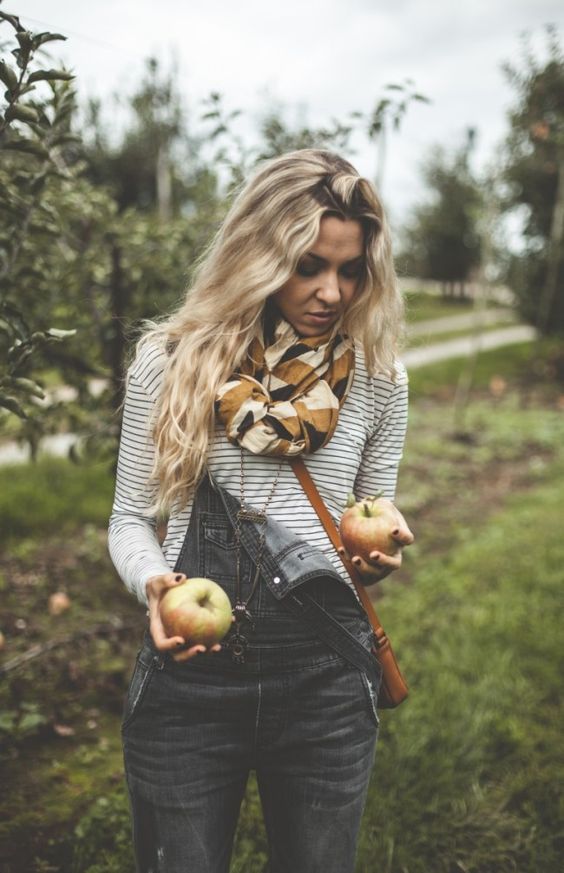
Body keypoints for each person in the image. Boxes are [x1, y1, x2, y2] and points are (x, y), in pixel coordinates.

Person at [108, 148, 410, 873]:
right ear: (259, 252)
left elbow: (366, 521)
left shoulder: (378, 379)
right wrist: (153, 580)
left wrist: (377, 560)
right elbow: (127, 519)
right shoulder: (172, 360)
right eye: (309, 265)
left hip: (326, 679)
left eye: (350, 269)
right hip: (192, 683)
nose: (332, 292)